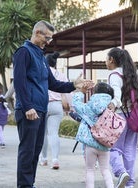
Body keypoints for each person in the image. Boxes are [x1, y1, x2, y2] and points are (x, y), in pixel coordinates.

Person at [13, 20, 94, 188]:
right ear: (37, 33)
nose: (49, 42)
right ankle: (24, 186)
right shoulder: (23, 52)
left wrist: (74, 85)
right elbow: (19, 83)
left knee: (35, 151)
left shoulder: (41, 57)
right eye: (47, 38)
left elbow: (54, 84)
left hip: (41, 110)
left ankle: (30, 183)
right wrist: (27, 107)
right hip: (29, 110)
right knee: (27, 151)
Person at [106, 47, 138, 188]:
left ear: (112, 60)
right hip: (133, 117)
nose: (106, 62)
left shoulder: (114, 75)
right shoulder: (131, 74)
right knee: (129, 150)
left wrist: (113, 103)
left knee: (113, 148)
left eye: (107, 59)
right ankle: (130, 183)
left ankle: (121, 172)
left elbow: (116, 94)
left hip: (119, 116)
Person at [73, 82, 115, 188]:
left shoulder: (89, 107)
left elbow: (76, 104)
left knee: (90, 170)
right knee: (105, 170)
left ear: (95, 93)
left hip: (90, 144)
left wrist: (81, 93)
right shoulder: (110, 107)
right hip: (105, 144)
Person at [39, 51, 69, 169]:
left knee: (43, 134)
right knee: (53, 133)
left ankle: (44, 159)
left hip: (43, 105)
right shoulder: (61, 75)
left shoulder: (42, 73)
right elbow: (67, 91)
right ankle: (55, 160)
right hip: (57, 105)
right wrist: (70, 106)